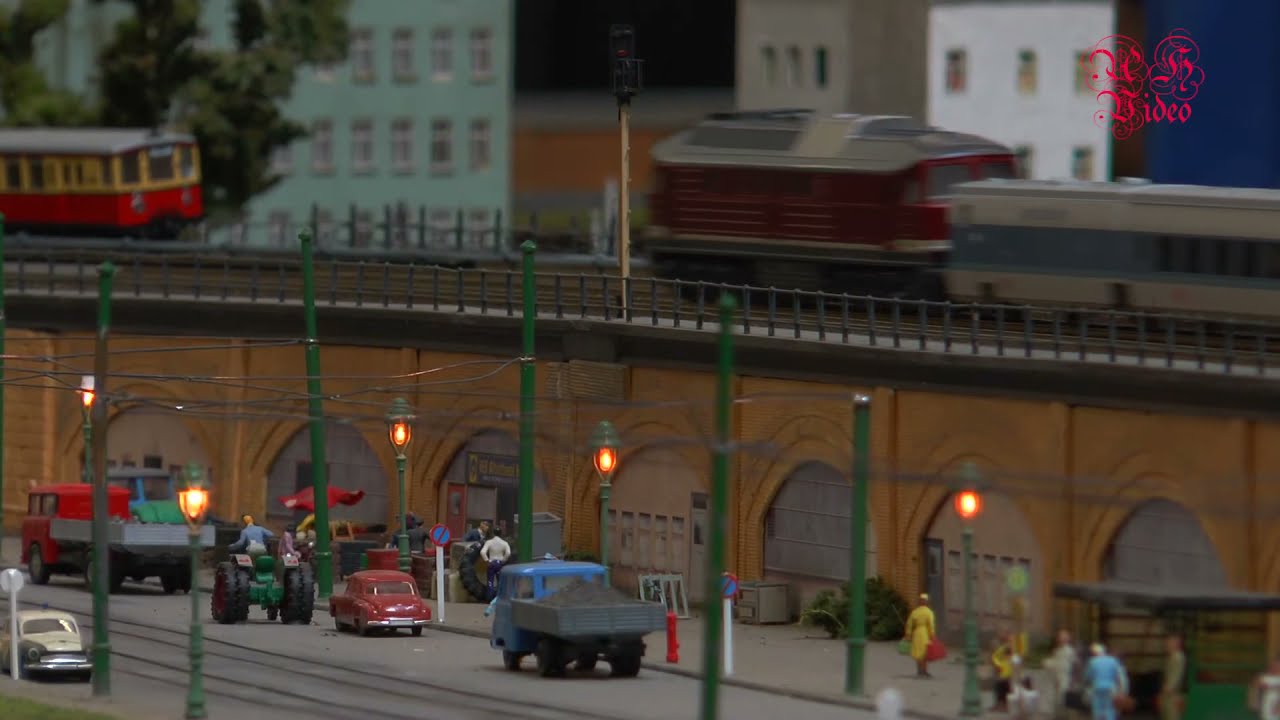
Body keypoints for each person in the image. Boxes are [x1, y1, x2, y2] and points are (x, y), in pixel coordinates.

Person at [1084, 643, 1129, 720]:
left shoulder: (1092, 661)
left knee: (1097, 710)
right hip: (1110, 689)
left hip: (1097, 688)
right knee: (1110, 709)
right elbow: (1118, 677)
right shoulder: (1114, 660)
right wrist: (1121, 692)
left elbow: (1087, 677)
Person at [1044, 629, 1079, 719]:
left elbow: (1075, 665)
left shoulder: (1070, 651)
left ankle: (1065, 716)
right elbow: (1054, 665)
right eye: (1060, 638)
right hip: (1057, 679)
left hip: (1066, 679)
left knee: (1064, 700)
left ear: (1068, 639)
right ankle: (1059, 716)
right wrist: (1048, 664)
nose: (1061, 640)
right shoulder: (1056, 651)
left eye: (1064, 638)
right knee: (1058, 700)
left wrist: (1074, 680)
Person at [903, 593, 937, 678]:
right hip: (924, 633)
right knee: (925, 653)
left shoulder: (915, 612)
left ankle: (919, 671)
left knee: (918, 652)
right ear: (927, 602)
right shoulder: (929, 612)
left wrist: (908, 634)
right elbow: (931, 625)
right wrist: (932, 635)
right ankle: (924, 671)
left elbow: (909, 624)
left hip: (917, 633)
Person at [1160, 634, 1185, 720]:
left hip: (1172, 696)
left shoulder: (1177, 658)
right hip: (1169, 695)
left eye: (1169, 642)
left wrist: (1167, 689)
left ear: (1176, 644)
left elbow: (1175, 678)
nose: (1166, 644)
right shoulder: (1171, 658)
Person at [480, 529, 511, 597]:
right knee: (500, 580)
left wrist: (486, 560)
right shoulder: (504, 543)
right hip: (499, 563)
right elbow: (508, 553)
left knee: (490, 581)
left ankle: (489, 596)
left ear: (493, 533)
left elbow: (482, 552)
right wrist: (504, 560)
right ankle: (500, 596)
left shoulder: (489, 542)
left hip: (491, 563)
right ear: (501, 533)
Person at [991, 630, 1016, 712]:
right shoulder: (1001, 644)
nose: (1001, 635)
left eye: (1003, 634)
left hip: (1004, 670)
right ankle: (998, 704)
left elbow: (1008, 656)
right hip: (999, 668)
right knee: (998, 687)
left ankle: (1004, 706)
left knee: (1003, 688)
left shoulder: (1008, 645)